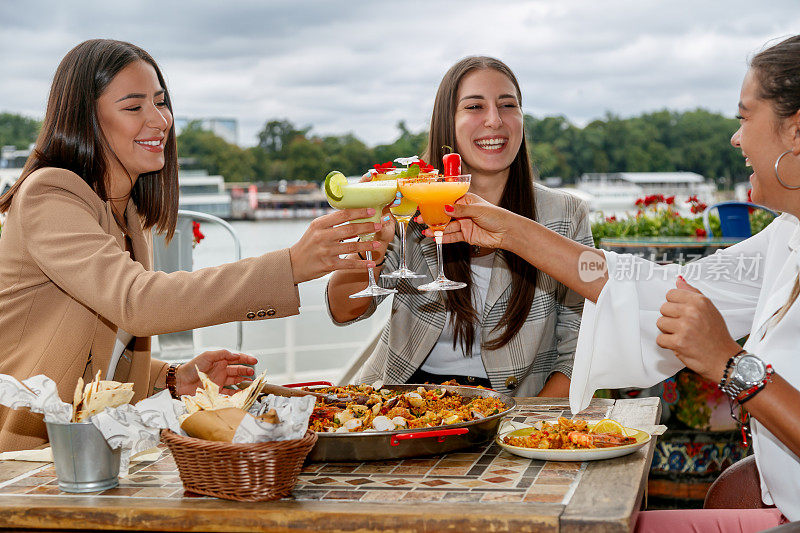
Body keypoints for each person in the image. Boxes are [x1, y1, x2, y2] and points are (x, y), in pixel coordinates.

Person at [433, 36, 800, 526]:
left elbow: (708, 342)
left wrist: (731, 364)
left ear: (795, 132)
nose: (736, 138)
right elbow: (655, 282)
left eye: (743, 117)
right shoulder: (785, 236)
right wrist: (513, 231)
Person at [0, 39, 382, 451]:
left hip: (86, 453)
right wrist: (290, 266)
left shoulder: (126, 214)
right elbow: (137, 303)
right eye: (134, 107)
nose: (159, 120)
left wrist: (172, 377)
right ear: (84, 121)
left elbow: (99, 353)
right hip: (25, 458)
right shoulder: (50, 193)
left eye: (161, 103)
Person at [326, 57, 593, 397]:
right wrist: (370, 247)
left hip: (511, 406)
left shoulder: (566, 213)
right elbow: (343, 310)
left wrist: (522, 427)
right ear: (447, 123)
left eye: (508, 105)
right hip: (399, 398)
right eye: (474, 106)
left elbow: (578, 345)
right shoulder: (408, 199)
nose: (494, 120)